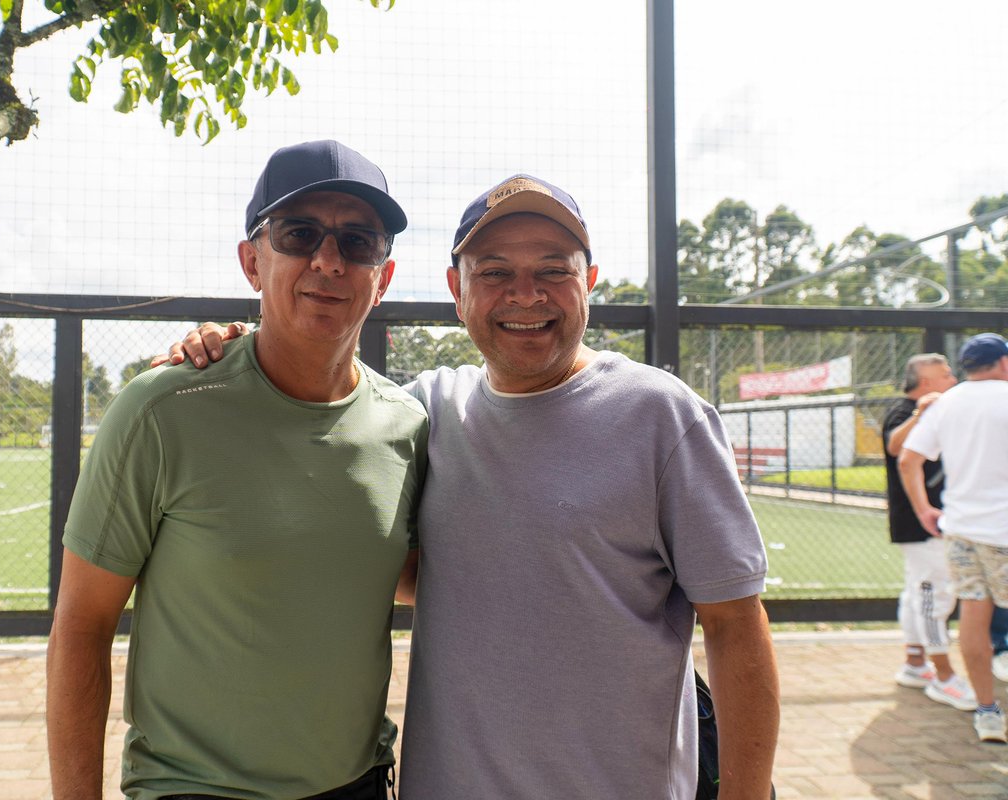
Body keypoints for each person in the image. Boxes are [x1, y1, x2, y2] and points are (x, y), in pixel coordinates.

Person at [168, 175, 781, 798]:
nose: (526, 294)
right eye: (494, 273)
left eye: (553, 270)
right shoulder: (423, 413)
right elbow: (385, 547)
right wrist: (237, 349)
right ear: (456, 291)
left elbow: (735, 625)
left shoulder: (661, 416)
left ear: (589, 282)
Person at [46, 140, 429, 800]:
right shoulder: (162, 410)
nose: (329, 260)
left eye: (358, 241)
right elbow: (82, 627)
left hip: (358, 785)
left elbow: (404, 575)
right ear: (253, 261)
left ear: (384, 276)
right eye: (299, 234)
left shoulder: (408, 425)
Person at [899, 331, 1008, 744]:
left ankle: (987, 711)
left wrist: (924, 509)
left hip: (961, 531)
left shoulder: (947, 403)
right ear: (1003, 363)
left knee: (973, 618)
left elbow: (908, 460)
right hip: (1003, 531)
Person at [880, 354, 975, 709]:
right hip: (923, 524)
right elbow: (895, 446)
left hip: (924, 523)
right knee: (934, 596)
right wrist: (921, 413)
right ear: (926, 382)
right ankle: (944, 676)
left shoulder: (937, 411)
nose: (953, 379)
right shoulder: (905, 411)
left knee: (917, 593)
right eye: (945, 374)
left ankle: (915, 663)